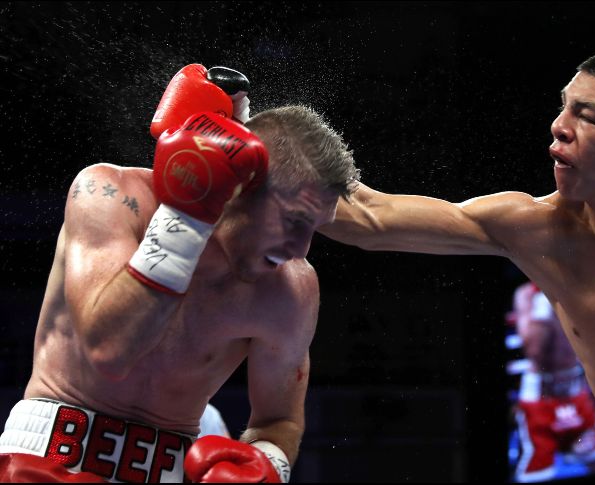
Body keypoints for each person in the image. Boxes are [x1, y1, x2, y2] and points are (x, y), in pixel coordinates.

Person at [320, 49, 595, 482]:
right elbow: (367, 219)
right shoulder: (536, 231)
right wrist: (258, 144)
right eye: (563, 107)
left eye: (586, 116)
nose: (558, 127)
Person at [0, 64, 359, 483]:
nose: (301, 248)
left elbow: (280, 421)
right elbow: (109, 352)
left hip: (168, 470)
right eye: (294, 221)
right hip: (50, 458)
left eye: (314, 229)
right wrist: (186, 217)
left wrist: (268, 465)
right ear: (240, 187)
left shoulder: (292, 289)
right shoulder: (108, 196)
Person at [510, 281, 595, 482]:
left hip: (574, 392)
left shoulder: (574, 284)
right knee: (535, 476)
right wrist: (543, 313)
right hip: (540, 400)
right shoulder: (526, 294)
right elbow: (534, 351)